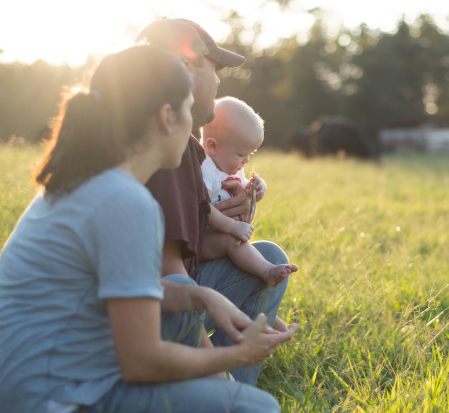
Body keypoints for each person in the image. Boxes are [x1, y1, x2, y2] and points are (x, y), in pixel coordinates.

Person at [0, 45, 296, 413]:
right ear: (166, 116)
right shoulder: (125, 200)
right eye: (188, 108)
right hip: (54, 400)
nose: (195, 126)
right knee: (258, 409)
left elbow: (129, 291)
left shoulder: (87, 182)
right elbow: (140, 363)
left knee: (191, 306)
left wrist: (204, 297)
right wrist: (238, 355)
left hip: (34, 387)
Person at [135, 18, 294, 384]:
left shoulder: (186, 145)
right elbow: (171, 274)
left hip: (140, 301)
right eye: (214, 69)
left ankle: (225, 377)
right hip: (137, 316)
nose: (220, 81)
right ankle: (229, 390)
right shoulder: (167, 144)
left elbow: (172, 250)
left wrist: (212, 222)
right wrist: (222, 378)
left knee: (267, 256)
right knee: (266, 260)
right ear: (185, 66)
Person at [200, 96, 298, 286]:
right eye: (241, 154)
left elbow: (244, 191)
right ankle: (266, 271)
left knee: (239, 245)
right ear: (212, 146)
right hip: (202, 241)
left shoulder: (230, 165)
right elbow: (202, 207)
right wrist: (232, 227)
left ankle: (266, 313)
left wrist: (257, 189)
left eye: (250, 154)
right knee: (232, 241)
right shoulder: (205, 169)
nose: (246, 161)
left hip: (221, 235)